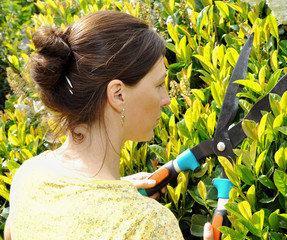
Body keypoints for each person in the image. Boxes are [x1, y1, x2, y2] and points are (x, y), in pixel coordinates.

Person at [4, 10, 214, 240]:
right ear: (118, 94)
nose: (167, 99)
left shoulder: (30, 176)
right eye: (159, 84)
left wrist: (101, 197)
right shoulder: (146, 224)